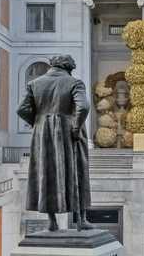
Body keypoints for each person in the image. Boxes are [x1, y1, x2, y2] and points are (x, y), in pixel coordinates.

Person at [17, 55, 93, 231]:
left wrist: (38, 122)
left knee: (45, 172)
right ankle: (81, 219)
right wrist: (75, 127)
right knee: (77, 171)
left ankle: (52, 221)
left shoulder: (34, 83)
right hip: (68, 130)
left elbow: (22, 109)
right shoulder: (75, 83)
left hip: (43, 133)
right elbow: (83, 107)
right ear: (69, 68)